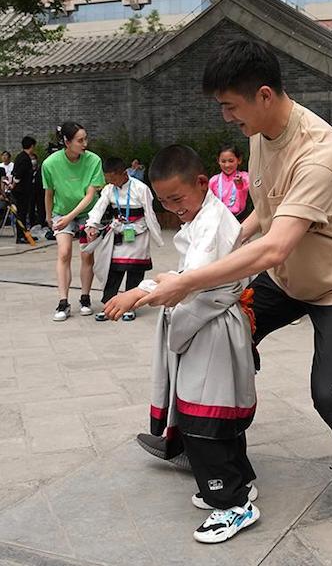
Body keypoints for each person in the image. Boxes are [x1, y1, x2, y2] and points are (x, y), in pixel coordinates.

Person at [134, 39, 332, 534]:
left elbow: (275, 245)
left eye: (231, 106)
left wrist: (187, 280)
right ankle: (206, 448)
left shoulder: (318, 152)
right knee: (215, 335)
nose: (228, 118)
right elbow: (269, 211)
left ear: (265, 94)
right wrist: (230, 236)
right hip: (287, 275)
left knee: (329, 395)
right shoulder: (259, 133)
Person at [104, 145, 259, 543]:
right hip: (206, 324)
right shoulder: (203, 217)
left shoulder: (211, 223)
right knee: (212, 411)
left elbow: (188, 282)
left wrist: (138, 295)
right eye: (165, 202)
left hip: (212, 324)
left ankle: (234, 505)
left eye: (178, 199)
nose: (174, 208)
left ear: (202, 183)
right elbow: (182, 275)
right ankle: (239, 481)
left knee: (204, 417)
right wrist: (139, 291)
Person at [84, 157, 164, 322]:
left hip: (138, 233)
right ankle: (108, 305)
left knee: (135, 271)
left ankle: (131, 306)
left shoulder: (141, 188)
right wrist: (92, 224)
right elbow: (99, 207)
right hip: (119, 232)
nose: (112, 182)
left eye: (113, 178)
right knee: (113, 270)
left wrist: (156, 235)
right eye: (108, 179)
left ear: (124, 173)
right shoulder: (109, 189)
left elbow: (149, 213)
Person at [43, 122, 105, 321]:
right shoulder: (50, 164)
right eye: (80, 140)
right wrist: (48, 215)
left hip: (88, 213)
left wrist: (68, 218)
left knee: (87, 255)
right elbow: (49, 192)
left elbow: (89, 195)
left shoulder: (94, 160)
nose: (85, 143)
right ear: (66, 142)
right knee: (64, 253)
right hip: (61, 211)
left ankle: (85, 298)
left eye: (85, 139)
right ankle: (63, 302)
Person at [209, 144, 250, 222]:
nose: (227, 165)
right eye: (223, 161)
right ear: (218, 161)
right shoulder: (214, 181)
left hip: (239, 219)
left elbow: (247, 189)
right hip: (219, 219)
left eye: (231, 161)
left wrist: (240, 185)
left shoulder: (244, 177)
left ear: (239, 160)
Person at [11, 137, 36, 244]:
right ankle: (20, 237)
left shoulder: (20, 156)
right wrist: (13, 184)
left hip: (23, 190)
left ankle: (25, 234)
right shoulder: (25, 158)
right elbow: (18, 175)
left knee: (23, 212)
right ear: (31, 146)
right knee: (21, 213)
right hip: (21, 191)